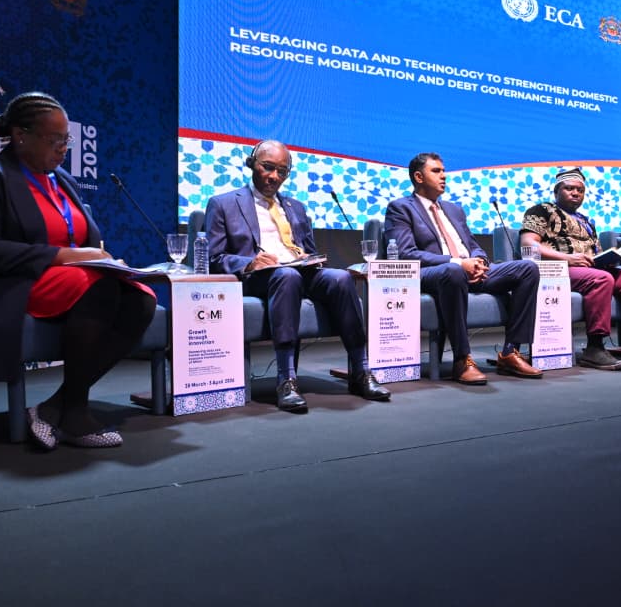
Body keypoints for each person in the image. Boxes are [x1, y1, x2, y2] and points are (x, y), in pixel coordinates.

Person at [0, 92, 157, 450]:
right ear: (21, 135)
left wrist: (102, 259)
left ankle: (54, 406)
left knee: (141, 298)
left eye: (67, 140)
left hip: (68, 281)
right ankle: (76, 413)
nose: (64, 149)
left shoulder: (62, 180)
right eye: (55, 140)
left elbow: (81, 237)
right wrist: (62, 255)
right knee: (98, 287)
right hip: (8, 285)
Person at [205, 139, 391, 413]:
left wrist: (309, 258)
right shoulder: (223, 204)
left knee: (341, 278)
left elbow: (309, 251)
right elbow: (214, 258)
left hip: (298, 271)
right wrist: (249, 262)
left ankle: (361, 371)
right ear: (252, 164)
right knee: (287, 276)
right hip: (258, 277)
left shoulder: (296, 207)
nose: (274, 176)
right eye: (268, 167)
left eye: (282, 171)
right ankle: (286, 379)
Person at [383, 152, 543, 385]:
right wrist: (458, 262)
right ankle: (462, 359)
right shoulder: (400, 208)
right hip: (434, 273)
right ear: (418, 177)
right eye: (436, 171)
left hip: (468, 269)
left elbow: (473, 245)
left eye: (444, 171)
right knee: (454, 272)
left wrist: (479, 262)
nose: (444, 176)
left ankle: (510, 352)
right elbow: (405, 253)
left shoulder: (454, 209)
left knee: (527, 268)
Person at [519, 167, 621, 370]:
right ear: (556, 192)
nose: (575, 193)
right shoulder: (541, 210)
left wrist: (606, 260)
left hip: (589, 269)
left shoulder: (586, 220)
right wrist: (568, 258)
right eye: (569, 189)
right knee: (601, 278)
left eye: (580, 190)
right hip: (556, 269)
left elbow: (594, 252)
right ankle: (595, 347)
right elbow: (528, 244)